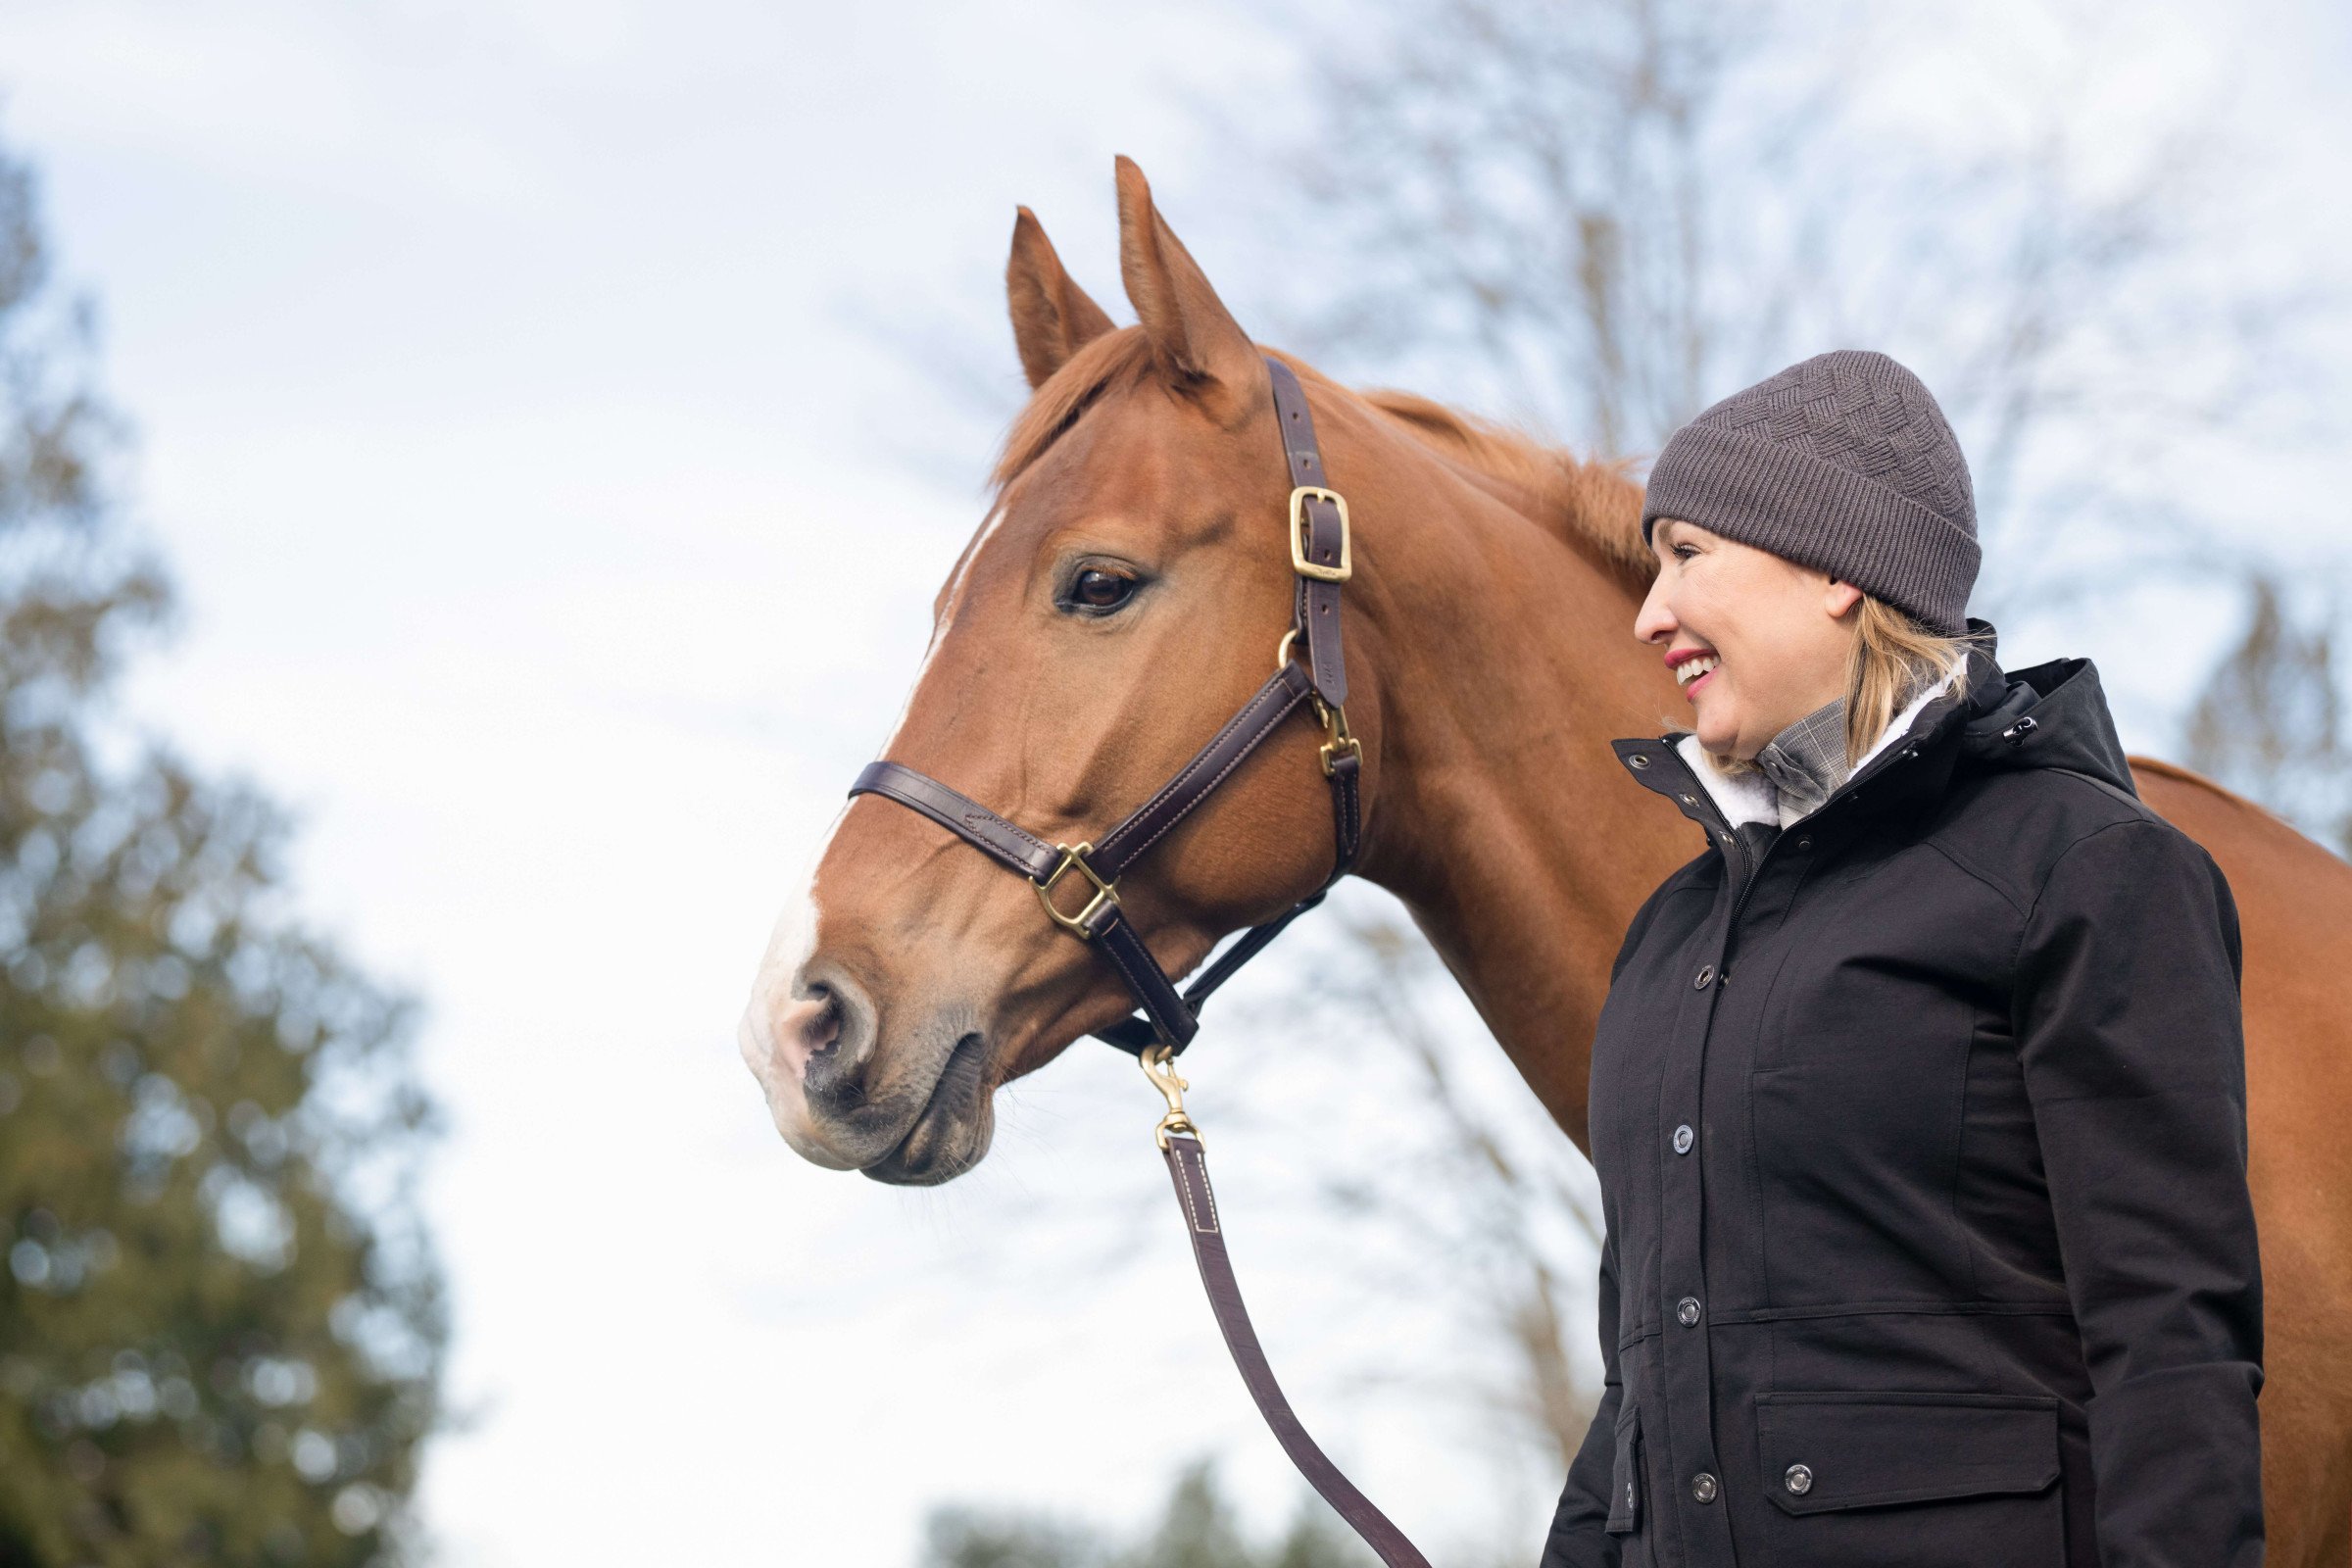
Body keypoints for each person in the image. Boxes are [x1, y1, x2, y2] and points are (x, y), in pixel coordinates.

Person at [1540, 350, 2264, 1568]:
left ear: (1834, 568)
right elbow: (1640, 1387)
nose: (1648, 612)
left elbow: (2172, 1340)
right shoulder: (1670, 937)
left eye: (1688, 554)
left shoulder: (2081, 867)